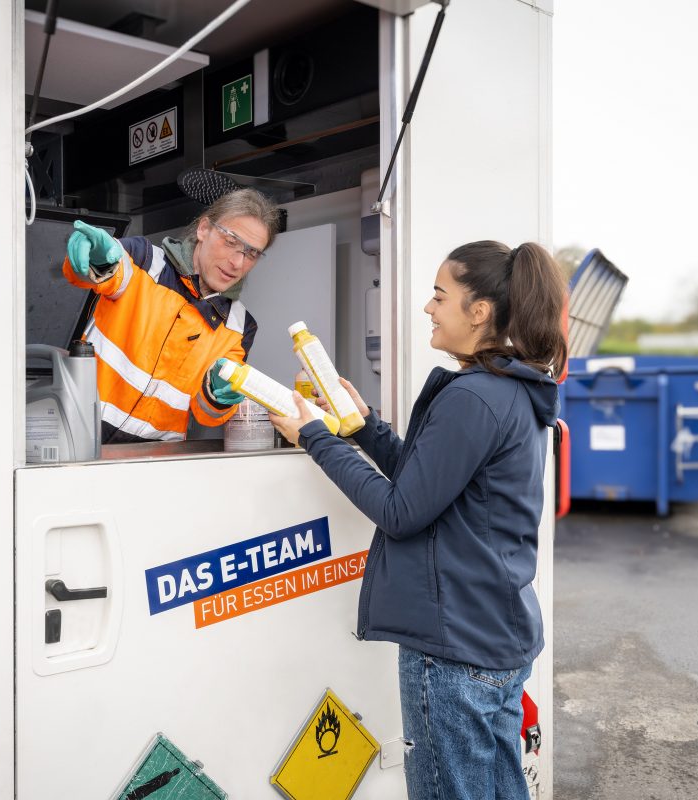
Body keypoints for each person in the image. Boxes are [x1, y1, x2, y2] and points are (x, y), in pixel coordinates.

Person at [270, 240, 566, 800]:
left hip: (454, 654)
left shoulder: (475, 397)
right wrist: (362, 428)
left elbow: (400, 511)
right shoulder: (511, 391)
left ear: (479, 312)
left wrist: (312, 437)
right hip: (494, 638)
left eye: (439, 295)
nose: (429, 308)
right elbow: (430, 482)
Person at [63, 189, 281, 444]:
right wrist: (95, 259)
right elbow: (102, 271)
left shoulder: (239, 326)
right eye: (231, 241)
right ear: (203, 229)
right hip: (78, 435)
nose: (237, 262)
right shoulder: (144, 261)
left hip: (158, 459)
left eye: (252, 253)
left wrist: (218, 396)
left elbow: (206, 414)